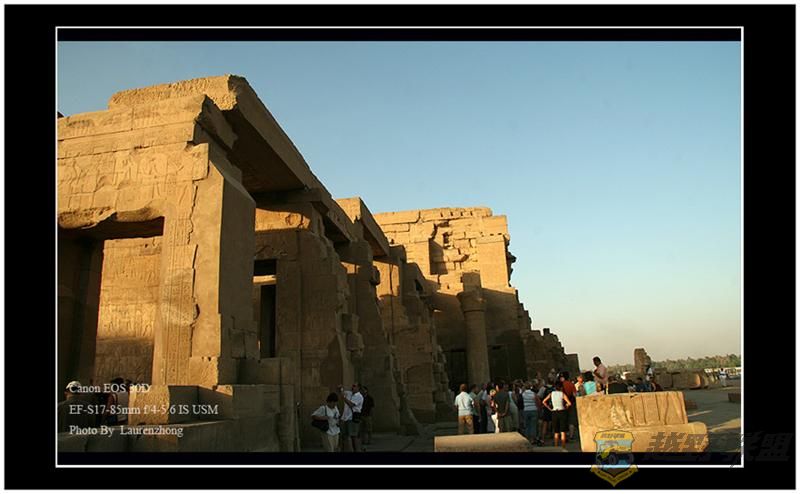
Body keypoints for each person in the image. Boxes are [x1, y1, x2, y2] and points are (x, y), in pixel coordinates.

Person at [543, 381, 572, 447]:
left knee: (556, 431)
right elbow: (569, 403)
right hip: (562, 411)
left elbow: (544, 401)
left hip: (554, 411)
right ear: (561, 387)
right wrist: (566, 406)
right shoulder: (562, 394)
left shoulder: (551, 394)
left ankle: (556, 447)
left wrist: (549, 408)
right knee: (563, 431)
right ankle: (563, 446)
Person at [339, 383, 364, 452]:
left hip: (353, 418)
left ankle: (356, 449)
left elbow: (351, 404)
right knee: (347, 435)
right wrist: (341, 389)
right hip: (346, 418)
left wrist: (344, 398)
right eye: (352, 385)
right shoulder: (349, 393)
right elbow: (342, 393)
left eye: (354, 386)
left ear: (358, 388)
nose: (352, 387)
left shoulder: (359, 396)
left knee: (353, 436)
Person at [559, 372, 578, 441]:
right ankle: (571, 435)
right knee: (571, 420)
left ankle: (563, 435)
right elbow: (575, 394)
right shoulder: (571, 384)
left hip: (561, 403)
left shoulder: (560, 385)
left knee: (562, 420)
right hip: (571, 403)